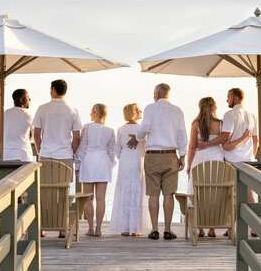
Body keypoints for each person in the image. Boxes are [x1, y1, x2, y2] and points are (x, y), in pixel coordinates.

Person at [127, 83, 187, 241]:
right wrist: (183, 156)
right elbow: (182, 135)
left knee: (153, 194)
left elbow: (144, 127)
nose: (154, 96)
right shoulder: (177, 111)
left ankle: (154, 230)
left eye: (154, 93)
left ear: (158, 94)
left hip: (153, 155)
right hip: (170, 155)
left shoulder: (150, 108)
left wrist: (137, 138)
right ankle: (167, 229)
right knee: (169, 194)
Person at [190, 96, 251, 237]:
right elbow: (224, 139)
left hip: (200, 159)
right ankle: (212, 228)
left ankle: (200, 228)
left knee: (199, 192)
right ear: (213, 108)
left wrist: (188, 165)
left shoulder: (195, 124)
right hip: (217, 159)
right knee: (215, 193)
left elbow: (192, 146)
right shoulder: (220, 123)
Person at [32, 79, 82, 237]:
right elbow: (77, 137)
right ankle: (62, 228)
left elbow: (36, 134)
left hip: (46, 155)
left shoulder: (42, 108)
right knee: (64, 192)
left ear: (53, 90)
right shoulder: (72, 110)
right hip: (65, 155)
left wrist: (40, 151)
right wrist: (71, 152)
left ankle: (42, 227)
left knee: (45, 192)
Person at [110, 103, 151, 237]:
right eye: (138, 109)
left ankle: (125, 227)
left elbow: (117, 150)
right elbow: (146, 148)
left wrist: (123, 157)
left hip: (125, 161)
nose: (140, 111)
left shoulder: (121, 129)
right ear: (133, 112)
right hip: (138, 160)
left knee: (125, 191)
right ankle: (135, 228)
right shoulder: (141, 129)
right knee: (137, 191)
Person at [74, 103, 116, 237]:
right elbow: (112, 152)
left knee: (88, 198)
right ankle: (98, 229)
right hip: (103, 162)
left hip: (88, 162)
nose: (90, 114)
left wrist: (77, 165)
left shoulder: (86, 127)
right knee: (101, 198)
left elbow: (82, 147)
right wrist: (109, 166)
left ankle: (91, 228)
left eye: (92, 112)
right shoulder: (110, 130)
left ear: (96, 113)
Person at [1, 89, 33, 162]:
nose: (30, 99)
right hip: (22, 155)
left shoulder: (5, 113)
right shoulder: (28, 114)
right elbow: (34, 136)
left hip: (6, 155)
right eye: (28, 98)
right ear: (21, 99)